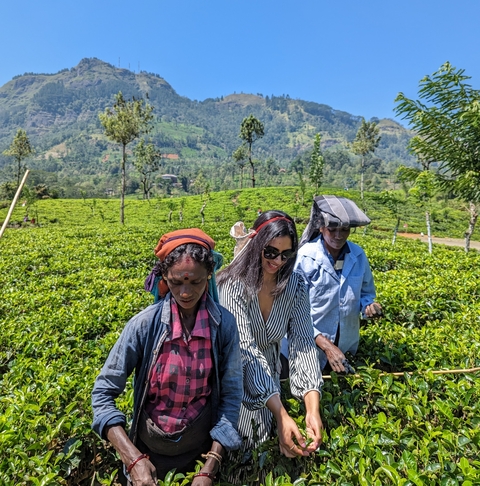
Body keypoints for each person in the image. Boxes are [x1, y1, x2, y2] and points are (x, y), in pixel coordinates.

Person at [92, 229, 243, 486]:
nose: (185, 292)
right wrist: (133, 460)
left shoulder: (223, 326)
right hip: (146, 456)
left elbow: (231, 397)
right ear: (164, 277)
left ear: (209, 276)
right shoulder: (144, 326)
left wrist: (210, 467)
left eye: (195, 282)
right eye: (176, 282)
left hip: (200, 456)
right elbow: (103, 393)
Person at [217, 211, 323, 459]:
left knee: (265, 453)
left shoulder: (294, 286)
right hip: (235, 381)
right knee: (236, 455)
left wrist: (312, 407)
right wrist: (282, 414)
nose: (278, 261)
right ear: (256, 245)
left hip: (271, 381)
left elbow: (303, 343)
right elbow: (245, 351)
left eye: (286, 255)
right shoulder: (232, 285)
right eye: (271, 252)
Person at [294, 195, 382, 373]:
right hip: (308, 348)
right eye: (332, 228)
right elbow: (293, 311)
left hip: (345, 348)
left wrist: (369, 306)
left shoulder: (358, 255)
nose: (338, 235)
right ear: (321, 227)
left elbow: (366, 293)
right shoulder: (305, 258)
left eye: (344, 229)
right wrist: (326, 346)